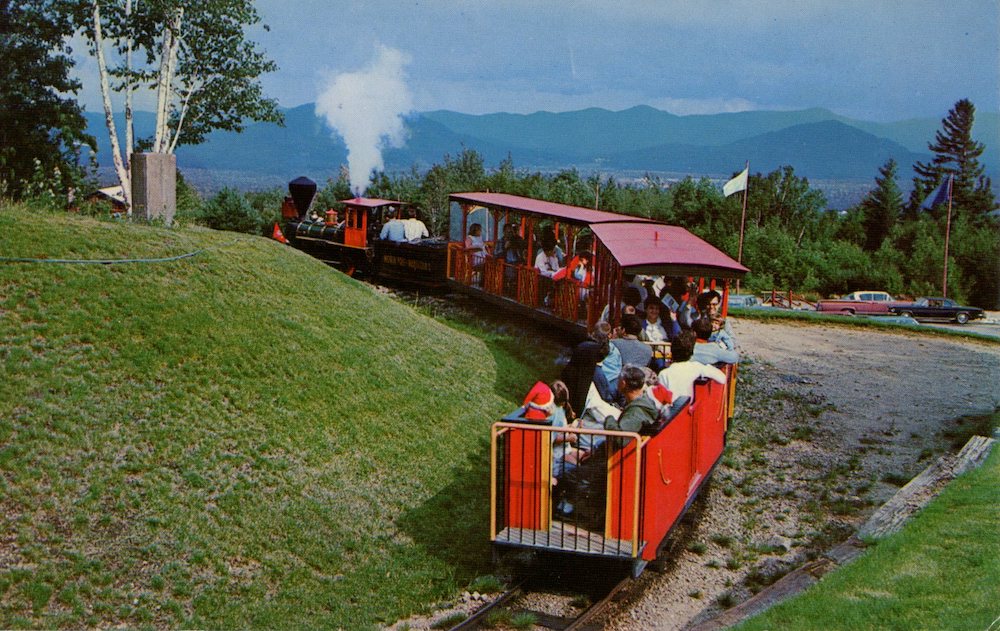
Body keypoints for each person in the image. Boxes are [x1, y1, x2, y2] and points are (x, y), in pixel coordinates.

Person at [657, 330, 726, 401]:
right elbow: (722, 378)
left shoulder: (664, 374)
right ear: (692, 353)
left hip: (672, 409)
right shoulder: (697, 367)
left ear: (672, 351)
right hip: (687, 408)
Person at [604, 365, 660, 434]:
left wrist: (609, 419)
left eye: (618, 379)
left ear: (623, 383)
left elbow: (620, 438)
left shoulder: (636, 412)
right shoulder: (644, 401)